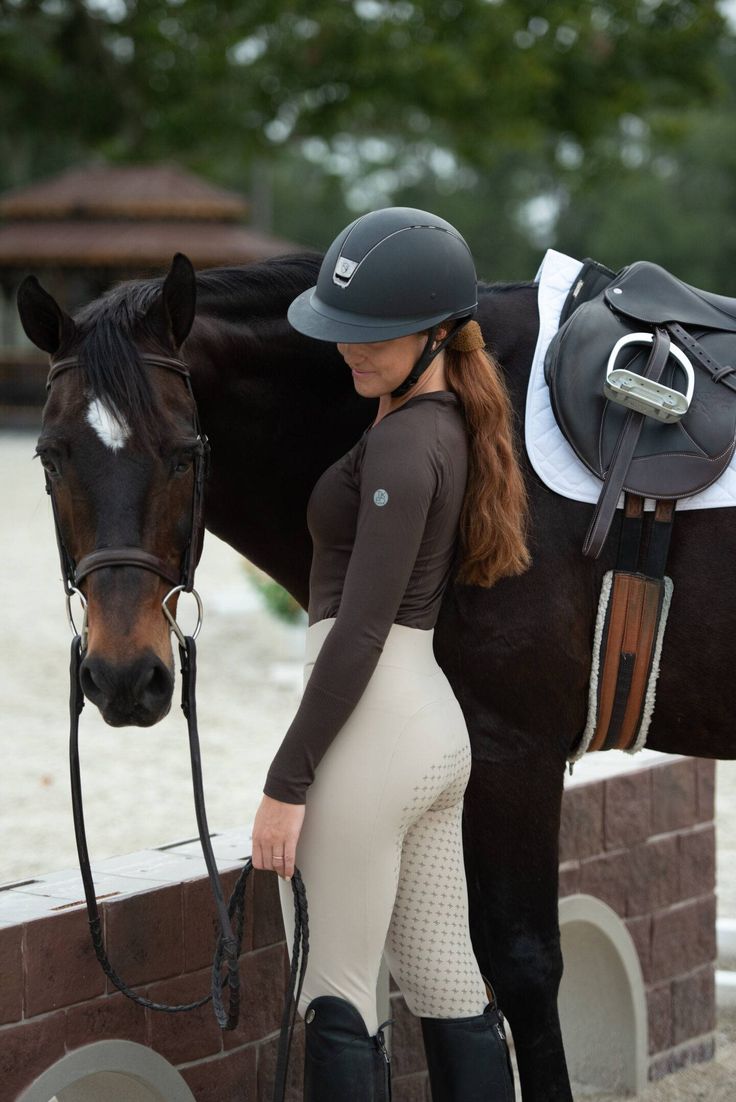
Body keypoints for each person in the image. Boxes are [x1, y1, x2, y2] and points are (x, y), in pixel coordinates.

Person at [251, 207, 529, 1100]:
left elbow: (361, 630)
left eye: (372, 335)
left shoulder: (403, 447)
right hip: (430, 734)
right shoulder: (445, 422)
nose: (347, 351)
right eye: (343, 331)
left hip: (372, 742)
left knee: (338, 994)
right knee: (448, 982)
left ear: (440, 333)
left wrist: (286, 783)